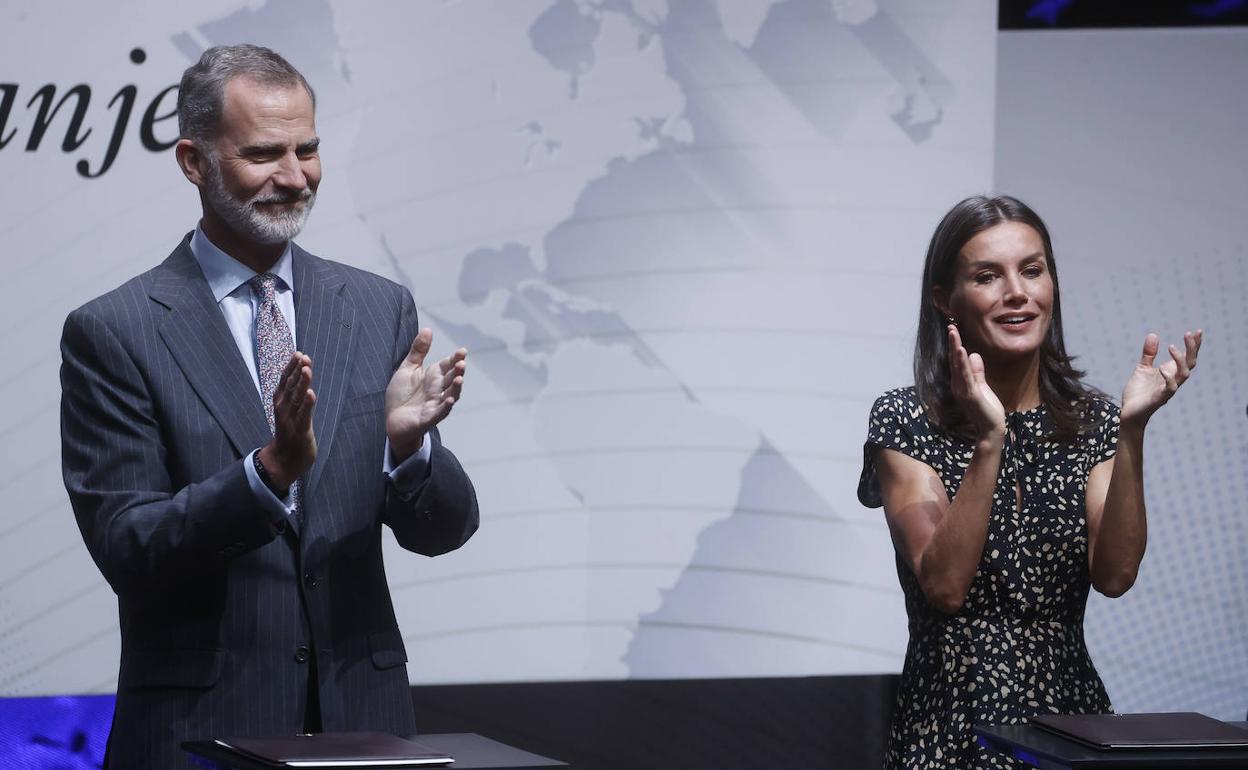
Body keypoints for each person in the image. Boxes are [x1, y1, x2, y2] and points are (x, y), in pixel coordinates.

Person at [60, 45, 478, 769]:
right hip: (197, 733)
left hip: (364, 727)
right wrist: (267, 473)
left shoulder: (378, 308)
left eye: (307, 149)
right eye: (263, 154)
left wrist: (409, 452)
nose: (294, 176)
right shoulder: (116, 329)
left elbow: (445, 532)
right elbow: (130, 547)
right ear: (194, 162)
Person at [857, 195, 1201, 769]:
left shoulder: (1091, 419)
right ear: (947, 300)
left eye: (1032, 270)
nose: (1017, 292)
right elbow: (944, 586)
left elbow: (1114, 576)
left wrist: (1131, 430)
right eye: (988, 276)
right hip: (948, 733)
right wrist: (990, 441)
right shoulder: (905, 418)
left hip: (1071, 728)